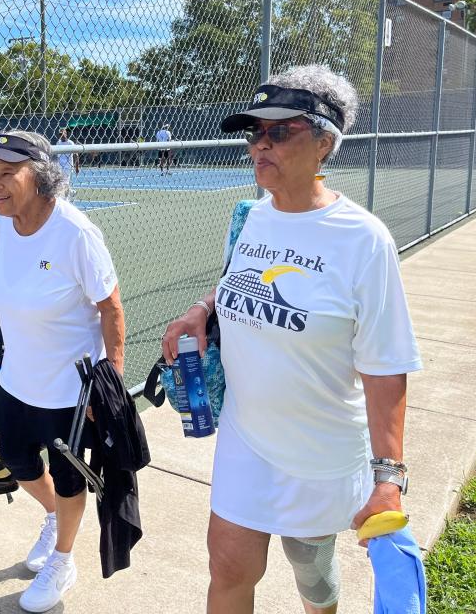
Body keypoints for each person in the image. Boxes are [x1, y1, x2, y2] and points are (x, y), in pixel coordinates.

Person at [160, 65, 422, 614]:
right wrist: (201, 309)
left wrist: (389, 478)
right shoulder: (250, 218)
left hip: (321, 451)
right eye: (254, 133)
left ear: (325, 142)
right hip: (246, 439)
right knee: (228, 569)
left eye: (279, 132)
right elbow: (236, 283)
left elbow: (385, 367)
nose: (261, 145)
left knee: (314, 578)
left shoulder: (363, 240)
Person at [0, 130, 125, 612]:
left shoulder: (75, 232)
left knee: (70, 474)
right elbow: (7, 295)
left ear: (39, 177)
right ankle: (57, 515)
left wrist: (110, 386)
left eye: (6, 174)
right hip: (16, 381)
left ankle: (63, 559)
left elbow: (112, 309)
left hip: (67, 391)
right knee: (17, 463)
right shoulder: (8, 225)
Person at [55, 128, 79, 196]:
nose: (61, 135)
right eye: (60, 134)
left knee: (65, 183)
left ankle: (67, 198)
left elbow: (76, 155)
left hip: (68, 167)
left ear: (66, 134)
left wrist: (77, 167)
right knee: (60, 183)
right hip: (59, 167)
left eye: (62, 134)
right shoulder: (58, 143)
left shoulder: (70, 143)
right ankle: (72, 192)